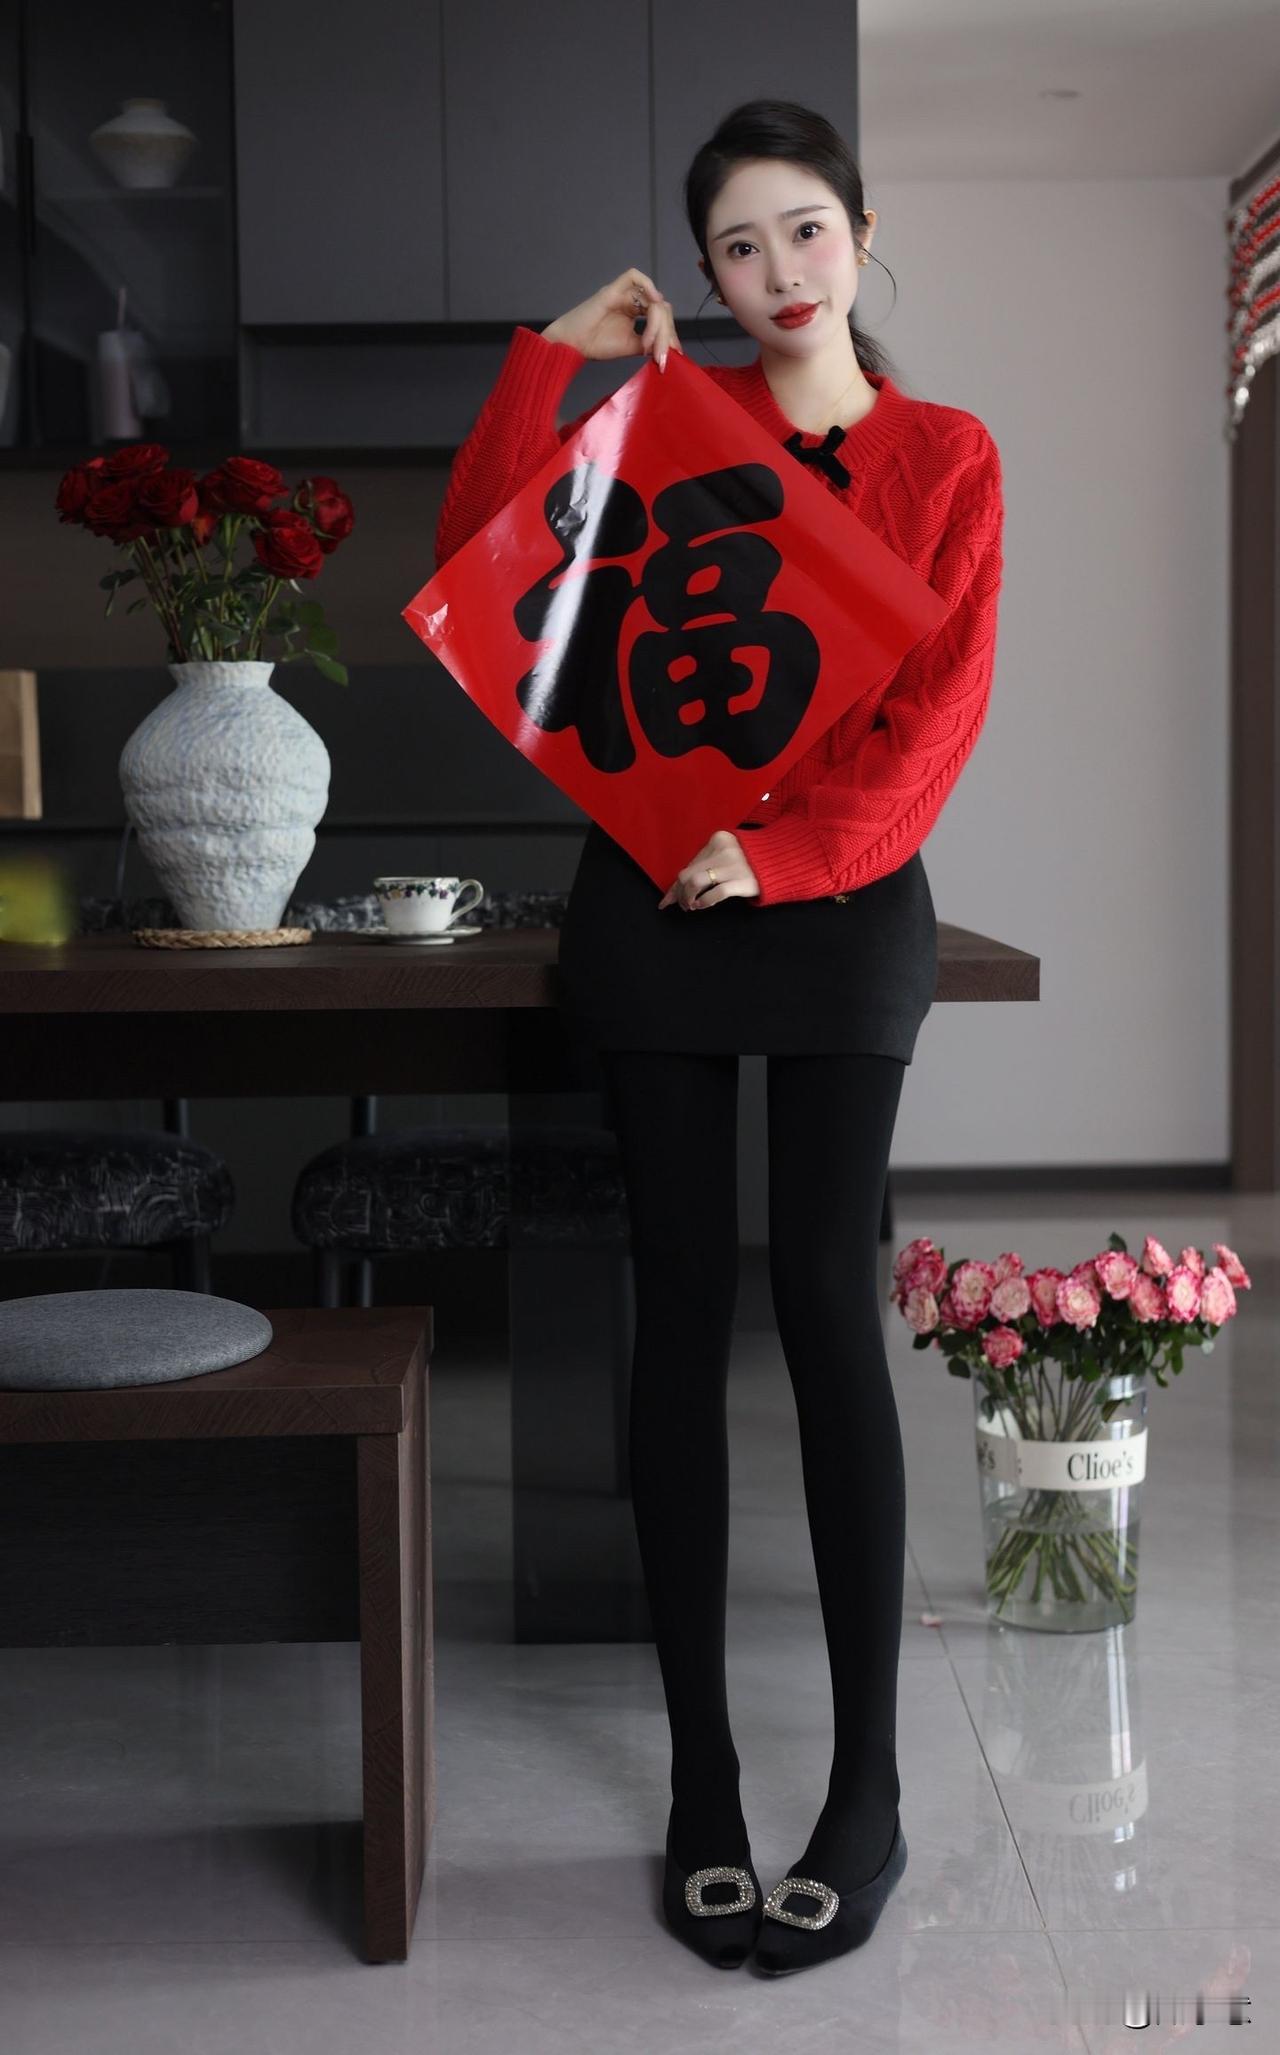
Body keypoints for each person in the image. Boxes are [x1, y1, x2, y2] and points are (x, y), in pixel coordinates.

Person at [434, 96, 1004, 1976]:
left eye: (805, 230)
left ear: (862, 234)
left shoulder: (944, 455)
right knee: (676, 1305)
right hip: (656, 895)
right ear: (706, 273)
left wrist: (793, 850)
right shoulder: (664, 422)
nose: (778, 272)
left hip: (840, 899)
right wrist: (556, 360)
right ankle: (701, 1785)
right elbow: (490, 569)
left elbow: (935, 711)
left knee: (828, 1302)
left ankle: (868, 1794)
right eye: (738, 247)